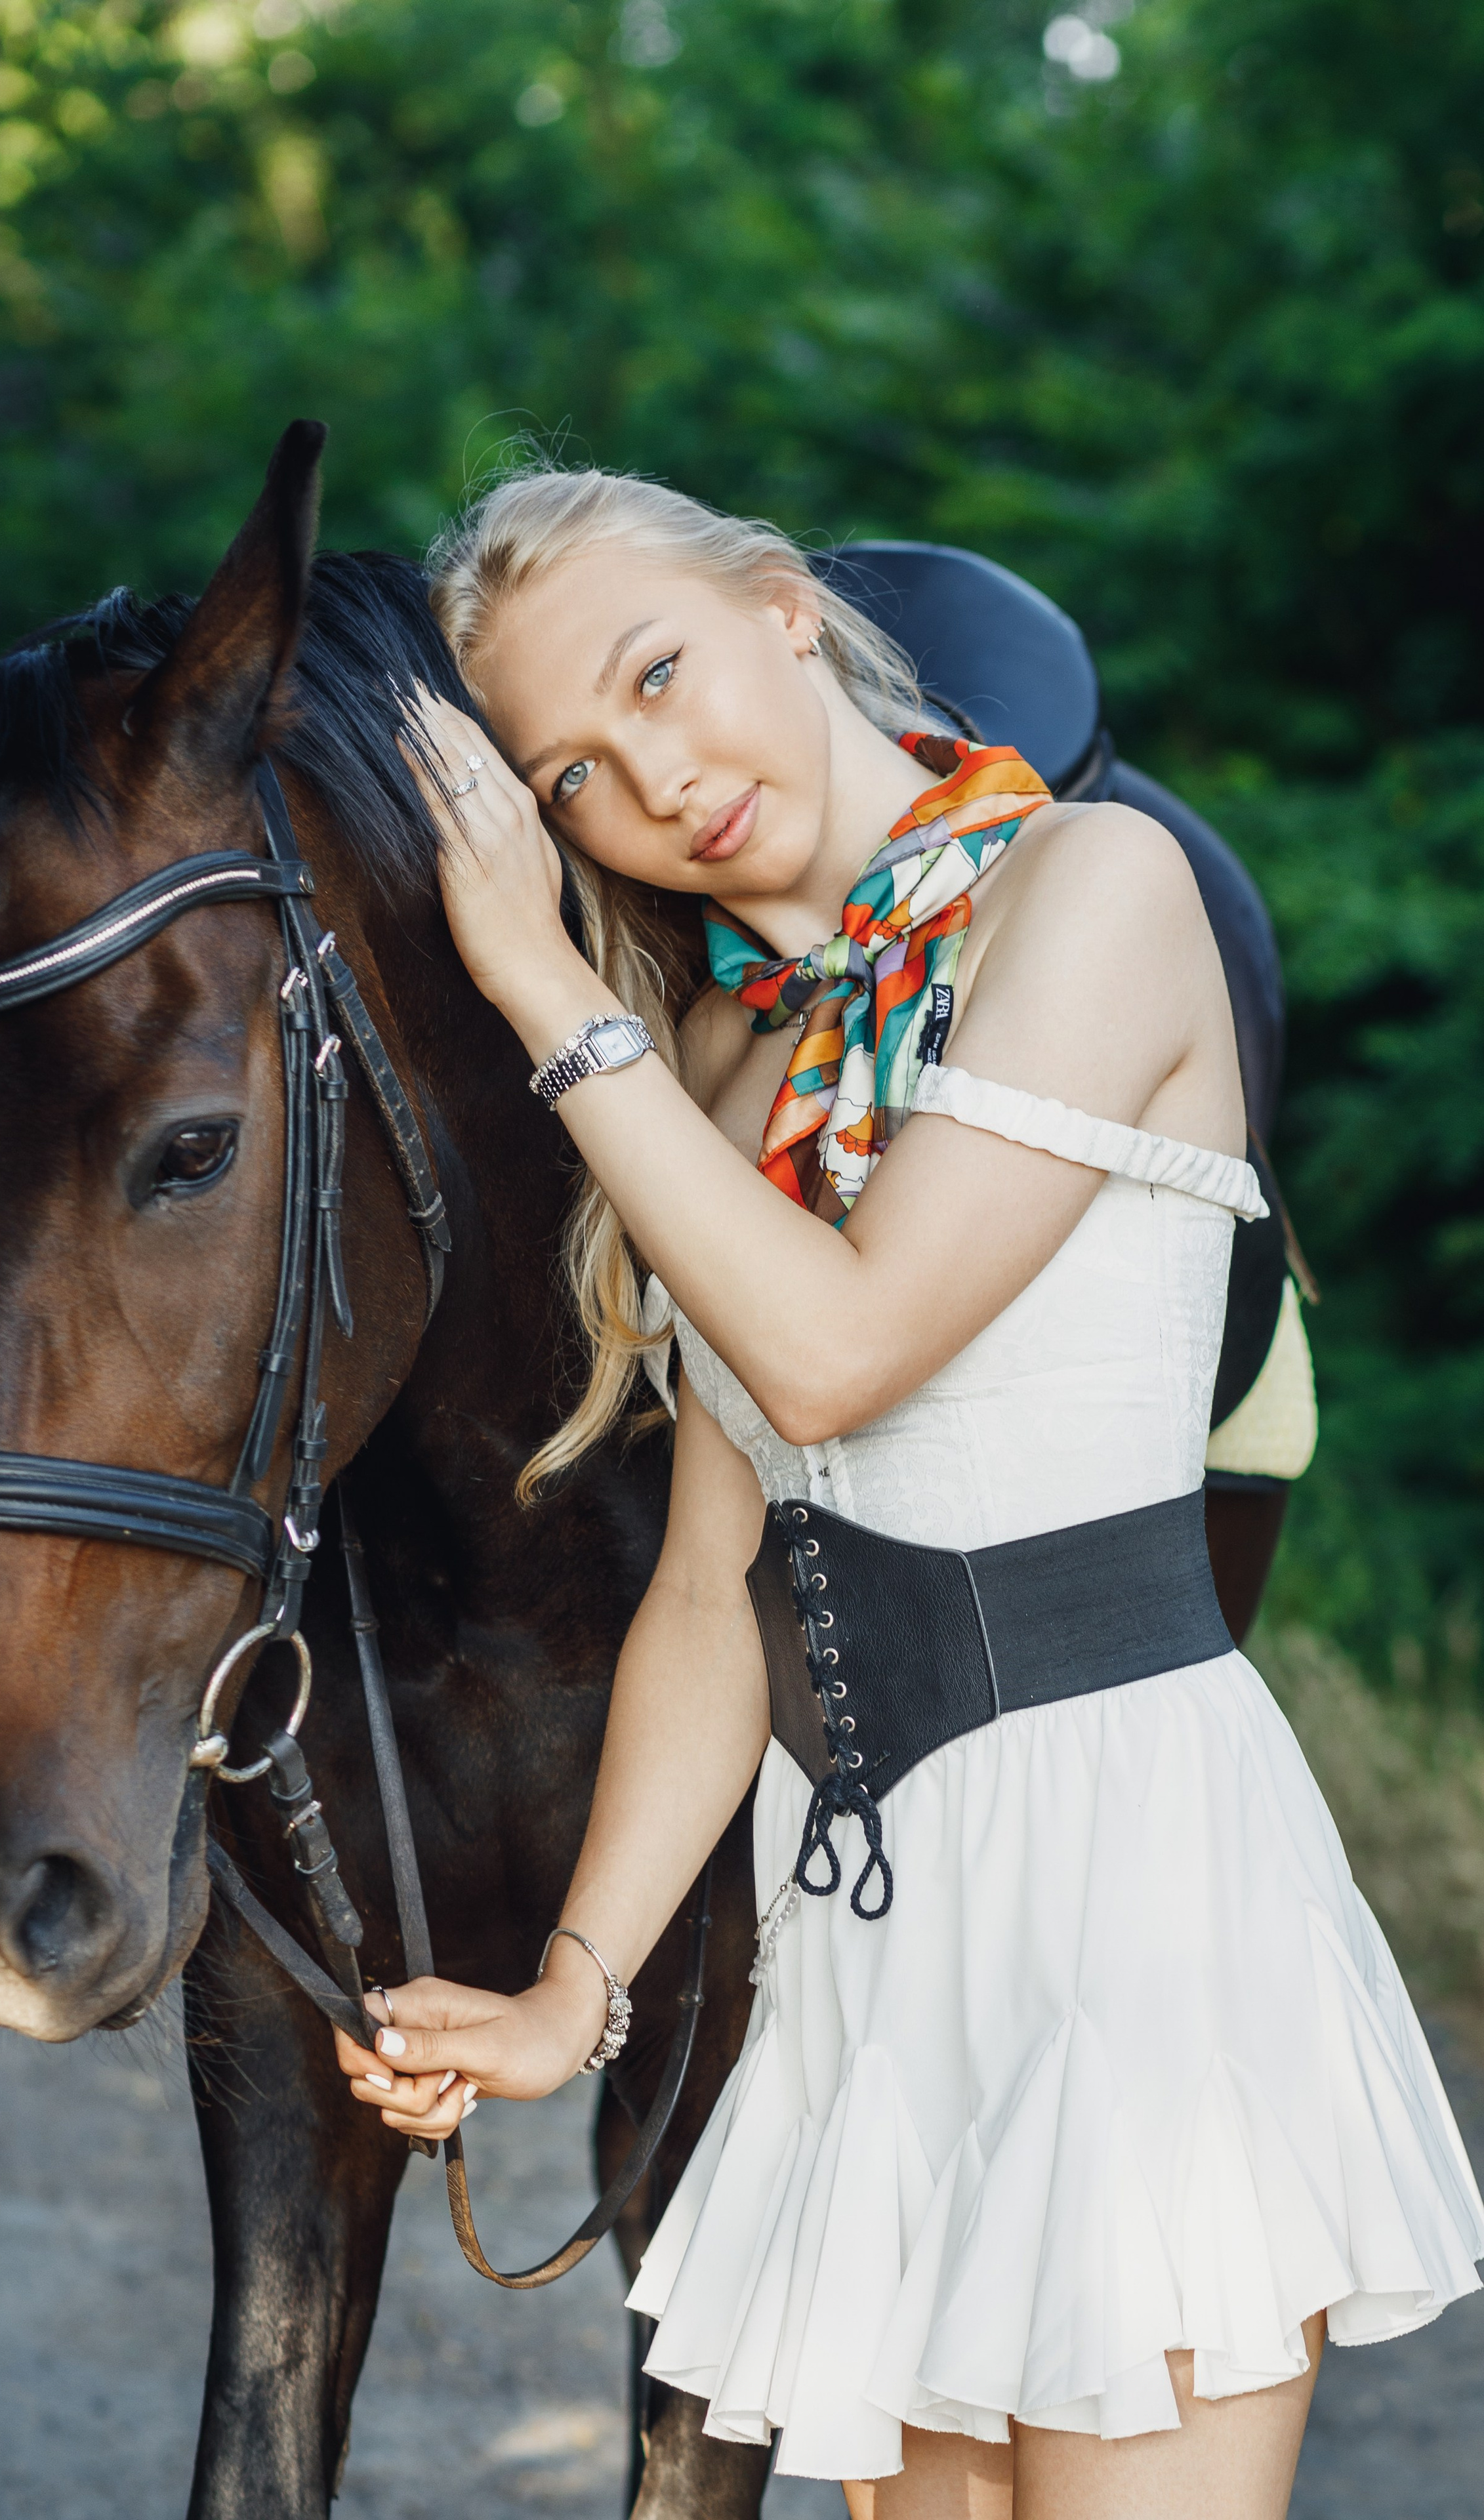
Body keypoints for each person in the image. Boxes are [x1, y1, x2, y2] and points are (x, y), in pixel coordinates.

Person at [333, 468, 1484, 2519]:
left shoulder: (1094, 891)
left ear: (785, 609)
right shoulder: (714, 1062)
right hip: (864, 1929)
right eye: (573, 772)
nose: (654, 779)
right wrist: (572, 1990)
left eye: (659, 673)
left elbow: (837, 1350)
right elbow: (717, 1580)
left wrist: (545, 992)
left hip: (1128, 1895)